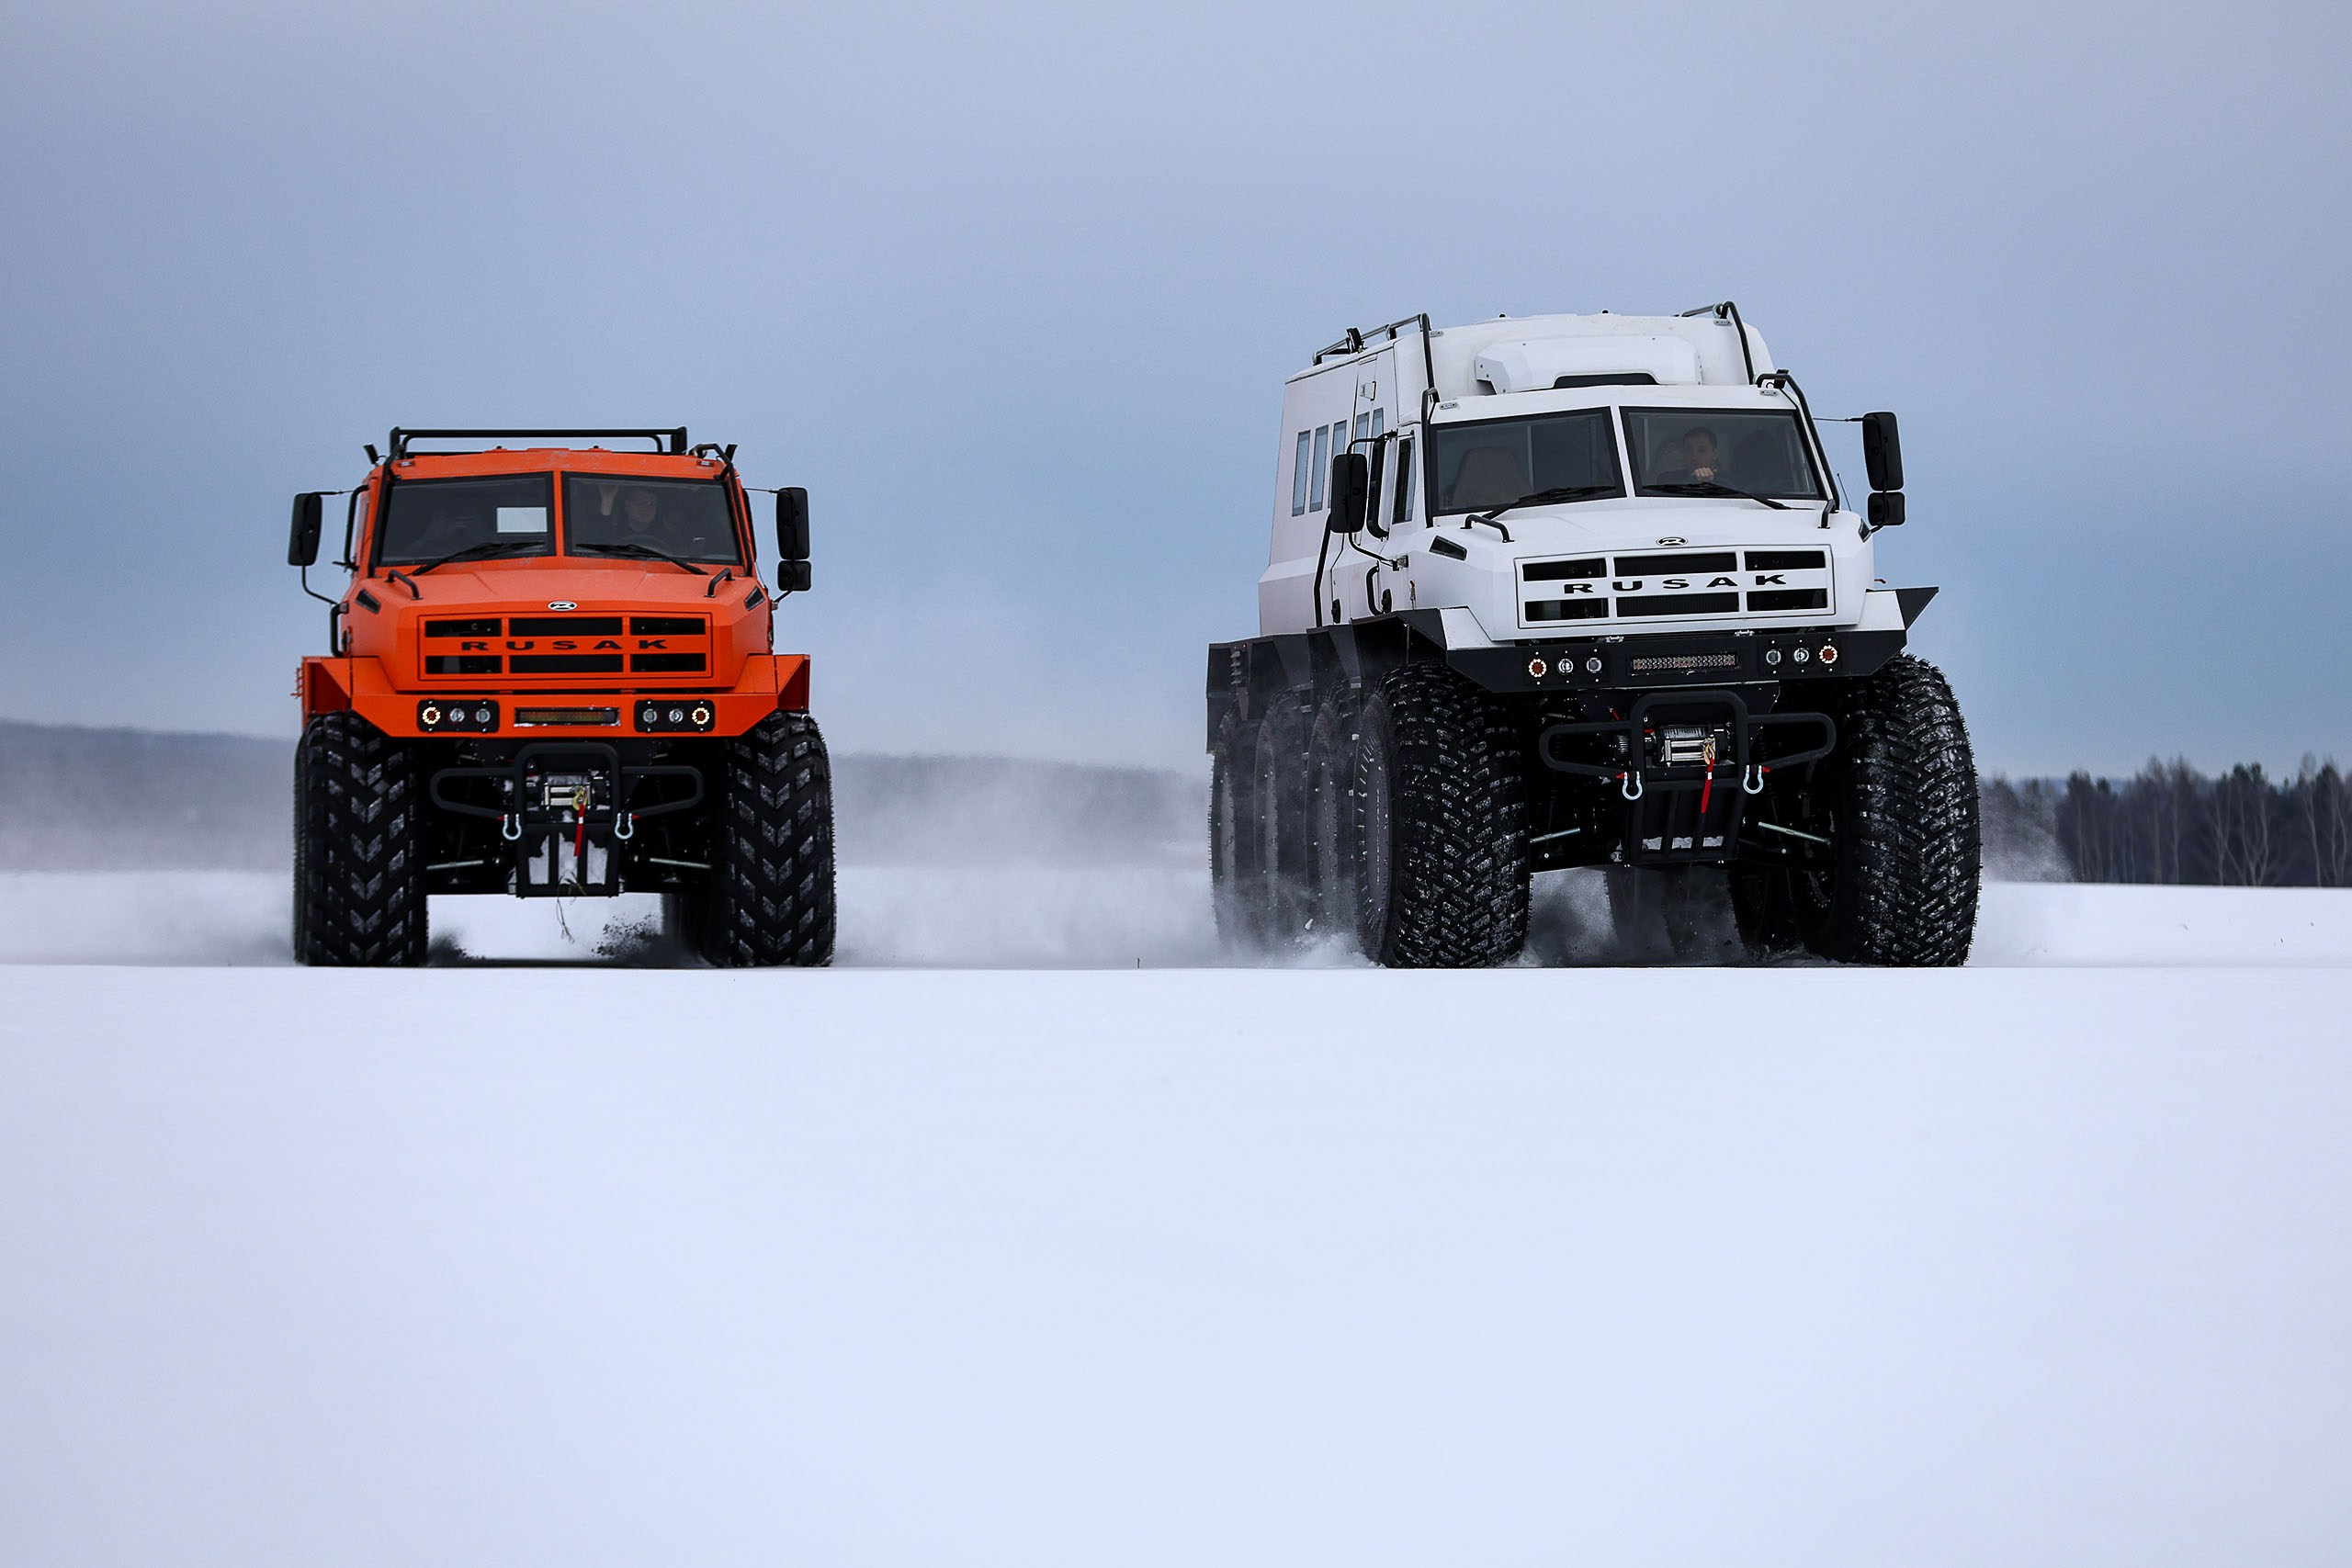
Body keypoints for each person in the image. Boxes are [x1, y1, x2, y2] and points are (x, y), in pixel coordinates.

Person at [1655, 426, 1724, 485]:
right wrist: (1691, 480)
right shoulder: (1667, 480)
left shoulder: (1726, 483)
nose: (1694, 457)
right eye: (1689, 450)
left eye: (1701, 450)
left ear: (1714, 454)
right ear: (1683, 453)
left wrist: (1710, 483)